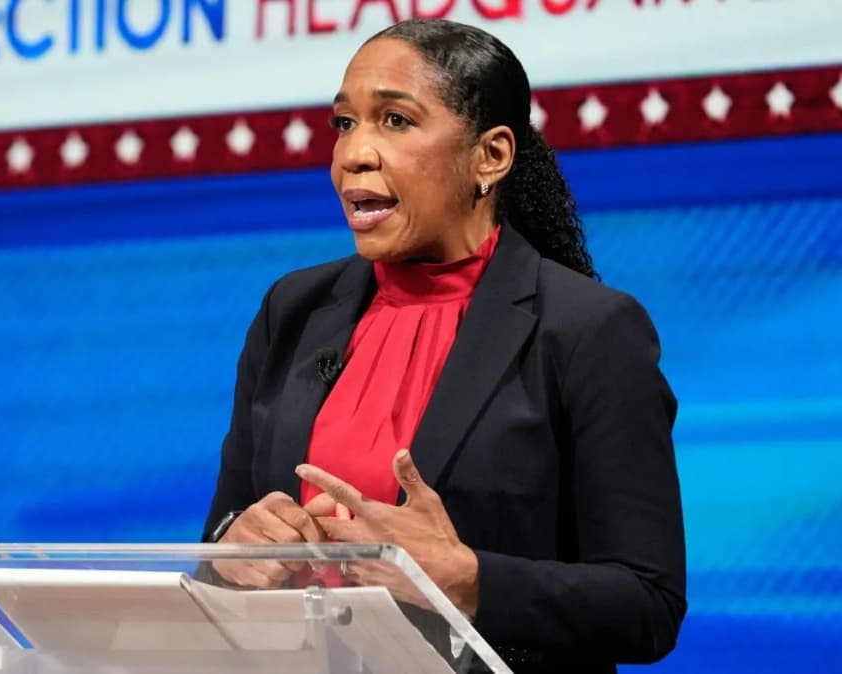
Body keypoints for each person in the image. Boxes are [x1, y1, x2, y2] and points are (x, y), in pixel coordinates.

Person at [201, 18, 686, 672]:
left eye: (395, 121)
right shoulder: (293, 310)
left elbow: (645, 605)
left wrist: (465, 577)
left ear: (490, 157)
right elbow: (218, 542)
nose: (354, 155)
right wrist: (238, 548)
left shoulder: (586, 331)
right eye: (345, 123)